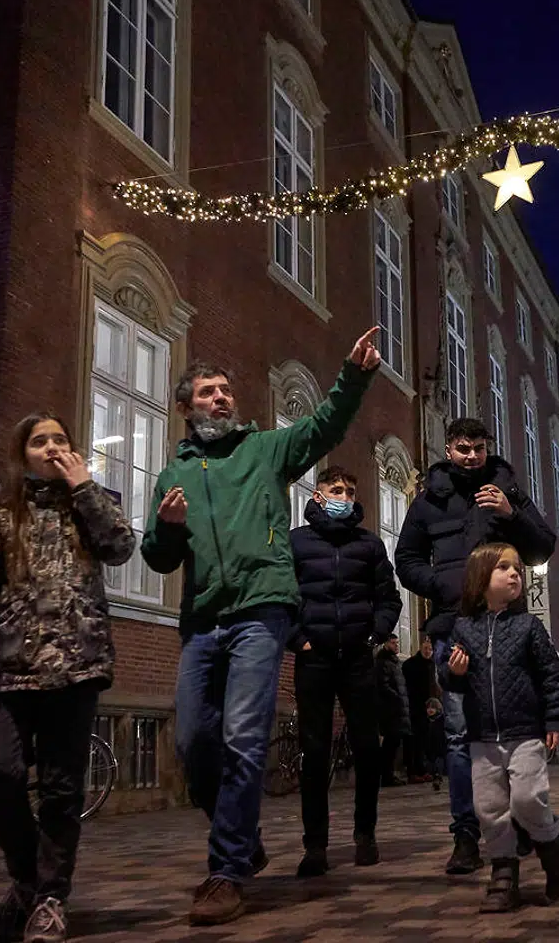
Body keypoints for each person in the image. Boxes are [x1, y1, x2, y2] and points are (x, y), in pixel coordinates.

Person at [141, 329, 380, 925]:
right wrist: (169, 527)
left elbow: (323, 427)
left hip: (262, 609)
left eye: (226, 391)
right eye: (208, 392)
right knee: (194, 742)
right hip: (202, 619)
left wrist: (353, 376)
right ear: (185, 405)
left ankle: (225, 871)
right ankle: (243, 839)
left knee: (244, 738)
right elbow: (158, 557)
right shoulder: (173, 475)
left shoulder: (265, 450)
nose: (221, 398)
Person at [0, 414, 135, 943]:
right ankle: (27, 877)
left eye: (60, 440)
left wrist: (83, 486)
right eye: (40, 442)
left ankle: (49, 899)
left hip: (77, 665)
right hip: (15, 666)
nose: (52, 448)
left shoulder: (91, 499)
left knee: (62, 792)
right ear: (23, 454)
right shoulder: (4, 510)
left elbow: (120, 545)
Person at [393, 418, 557, 874]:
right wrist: (445, 587)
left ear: (488, 448)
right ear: (449, 448)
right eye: (463, 448)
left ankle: (520, 823)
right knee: (459, 733)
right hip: (453, 625)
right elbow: (405, 559)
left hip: (508, 627)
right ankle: (466, 833)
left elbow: (543, 549)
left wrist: (511, 514)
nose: (471, 456)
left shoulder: (507, 488)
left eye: (479, 448)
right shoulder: (429, 500)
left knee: (515, 725)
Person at [444, 543, 559, 913]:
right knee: (489, 809)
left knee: (527, 799)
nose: (515, 574)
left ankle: (555, 859)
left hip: (525, 733)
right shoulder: (464, 629)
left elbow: (551, 675)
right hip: (482, 737)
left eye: (517, 568)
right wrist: (453, 674)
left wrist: (555, 719)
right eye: (503, 568)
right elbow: (453, 682)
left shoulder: (528, 626)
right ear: (480, 579)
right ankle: (503, 875)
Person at [287, 462, 402, 876]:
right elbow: (282, 596)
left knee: (367, 749)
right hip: (313, 657)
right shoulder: (296, 543)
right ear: (318, 495)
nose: (344, 496)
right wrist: (298, 638)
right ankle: (315, 845)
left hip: (357, 658)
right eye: (336, 489)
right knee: (314, 752)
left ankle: (364, 834)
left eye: (350, 491)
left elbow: (390, 599)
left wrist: (374, 636)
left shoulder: (369, 546)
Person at [375, 635, 412, 788]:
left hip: (397, 709)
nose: (397, 646)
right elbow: (382, 685)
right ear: (385, 644)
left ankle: (389, 775)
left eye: (397, 642)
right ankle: (386, 776)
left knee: (394, 743)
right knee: (390, 744)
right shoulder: (383, 662)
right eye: (393, 643)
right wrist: (396, 698)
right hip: (390, 710)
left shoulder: (394, 663)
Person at [402, 634, 437, 782]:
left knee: (423, 740)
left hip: (426, 707)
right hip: (413, 706)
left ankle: (422, 769)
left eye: (430, 649)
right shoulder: (411, 664)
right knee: (412, 740)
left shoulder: (431, 664)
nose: (428, 651)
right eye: (426, 648)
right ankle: (412, 771)